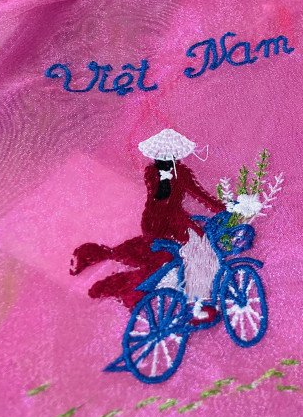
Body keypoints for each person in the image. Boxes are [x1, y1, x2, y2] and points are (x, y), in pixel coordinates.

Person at [70, 129, 224, 310]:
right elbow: (160, 198)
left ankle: (190, 294)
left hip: (173, 219)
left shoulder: (181, 172)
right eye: (161, 154)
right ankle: (198, 302)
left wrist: (222, 208)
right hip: (160, 222)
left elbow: (199, 194)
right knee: (196, 248)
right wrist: (165, 180)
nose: (165, 157)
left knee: (187, 252)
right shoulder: (153, 172)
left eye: (169, 153)